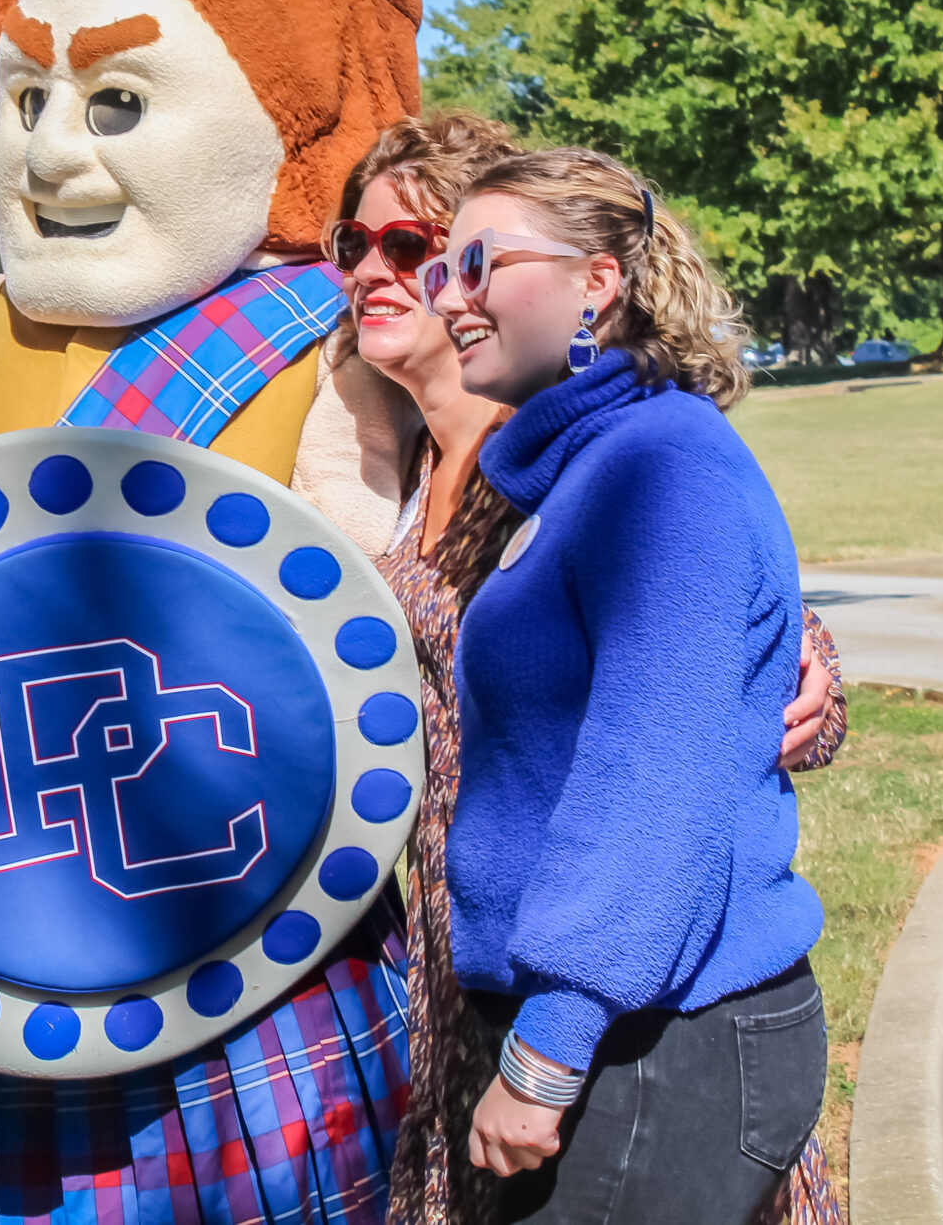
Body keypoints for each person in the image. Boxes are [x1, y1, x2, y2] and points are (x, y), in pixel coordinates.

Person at [331, 114, 843, 1224]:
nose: (439, 291)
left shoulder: (652, 464)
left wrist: (550, 1047)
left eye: (455, 257)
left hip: (641, 1012)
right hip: (523, 985)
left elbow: (658, 763)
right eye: (355, 245)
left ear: (597, 282)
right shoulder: (519, 466)